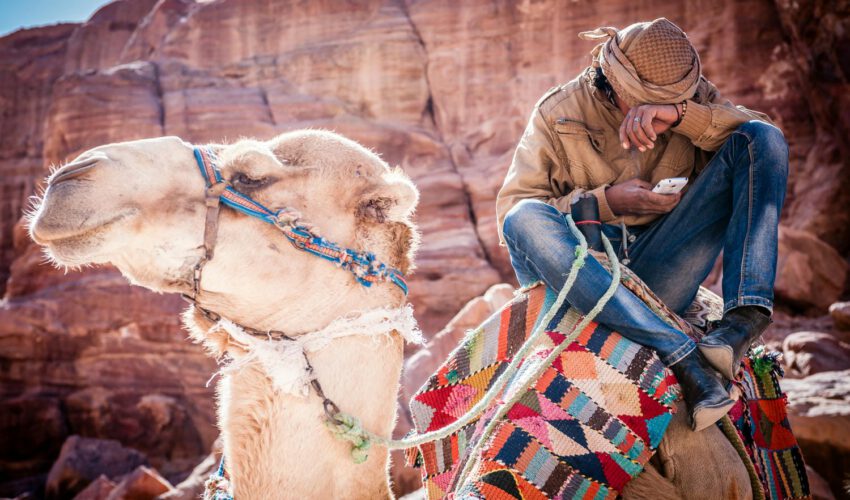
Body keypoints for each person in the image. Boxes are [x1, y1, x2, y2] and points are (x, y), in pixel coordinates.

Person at [496, 18, 788, 431]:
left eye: (669, 101)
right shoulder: (559, 111)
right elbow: (511, 213)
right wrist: (609, 201)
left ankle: (743, 323)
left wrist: (681, 115)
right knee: (522, 217)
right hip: (585, 278)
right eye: (644, 101)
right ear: (613, 85)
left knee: (763, 139)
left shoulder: (692, 99)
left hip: (659, 274)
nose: (652, 114)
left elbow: (757, 140)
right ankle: (681, 355)